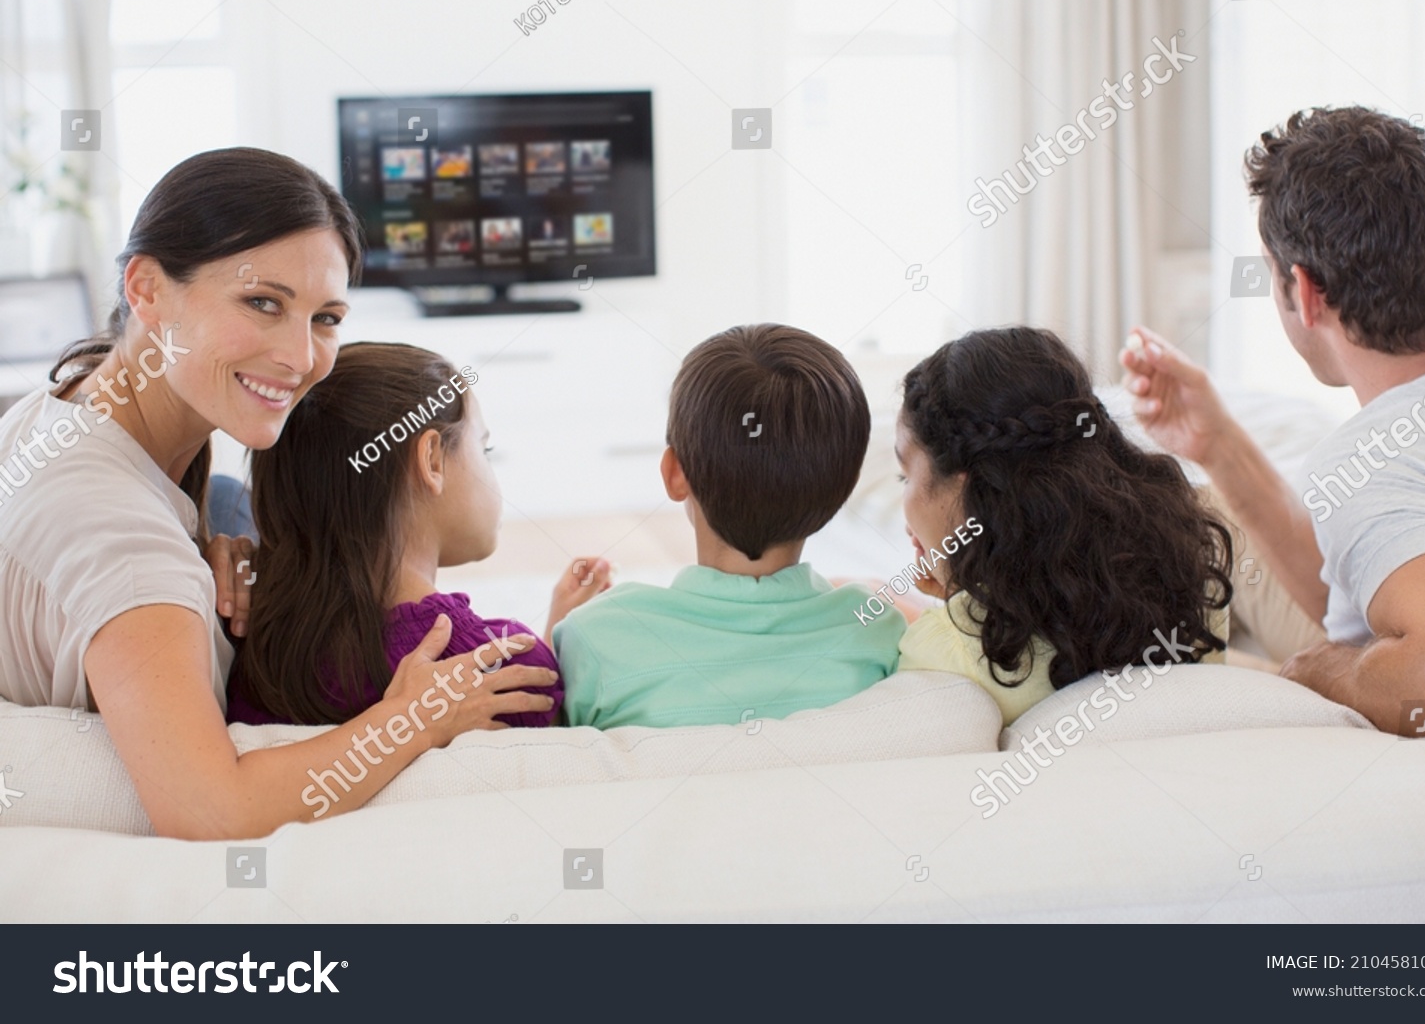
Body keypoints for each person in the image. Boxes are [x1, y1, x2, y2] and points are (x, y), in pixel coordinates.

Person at [0, 148, 558, 839]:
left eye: (326, 318)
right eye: (262, 303)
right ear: (145, 288)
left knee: (231, 498)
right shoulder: (129, 550)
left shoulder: (82, 395)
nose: (301, 359)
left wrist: (209, 549)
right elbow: (211, 808)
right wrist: (412, 718)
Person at [1121, 106, 1425, 735]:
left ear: (1304, 291)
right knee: (1208, 505)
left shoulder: (1376, 467)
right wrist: (1216, 442)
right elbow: (1377, 585)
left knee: (1181, 536)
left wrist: (1324, 671)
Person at [227, 341, 608, 727]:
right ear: (431, 461)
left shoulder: (252, 651)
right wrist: (560, 658)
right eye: (484, 448)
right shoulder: (506, 671)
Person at [553, 324, 904, 728]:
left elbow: (550, 742)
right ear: (844, 488)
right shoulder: (879, 634)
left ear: (674, 474)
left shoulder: (597, 636)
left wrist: (553, 637)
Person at [895, 326, 1233, 725]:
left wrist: (957, 609)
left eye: (904, 476)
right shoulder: (1196, 584)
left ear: (965, 485)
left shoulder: (943, 653)